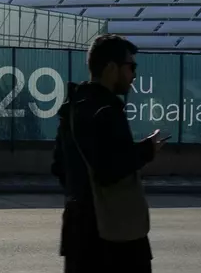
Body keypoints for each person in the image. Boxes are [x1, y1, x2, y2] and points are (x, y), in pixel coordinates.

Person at [51, 34, 167, 273]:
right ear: (111, 68)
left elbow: (59, 166)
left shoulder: (72, 107)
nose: (134, 74)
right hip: (115, 236)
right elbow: (110, 169)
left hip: (77, 234)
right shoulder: (107, 109)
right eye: (130, 66)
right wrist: (146, 150)